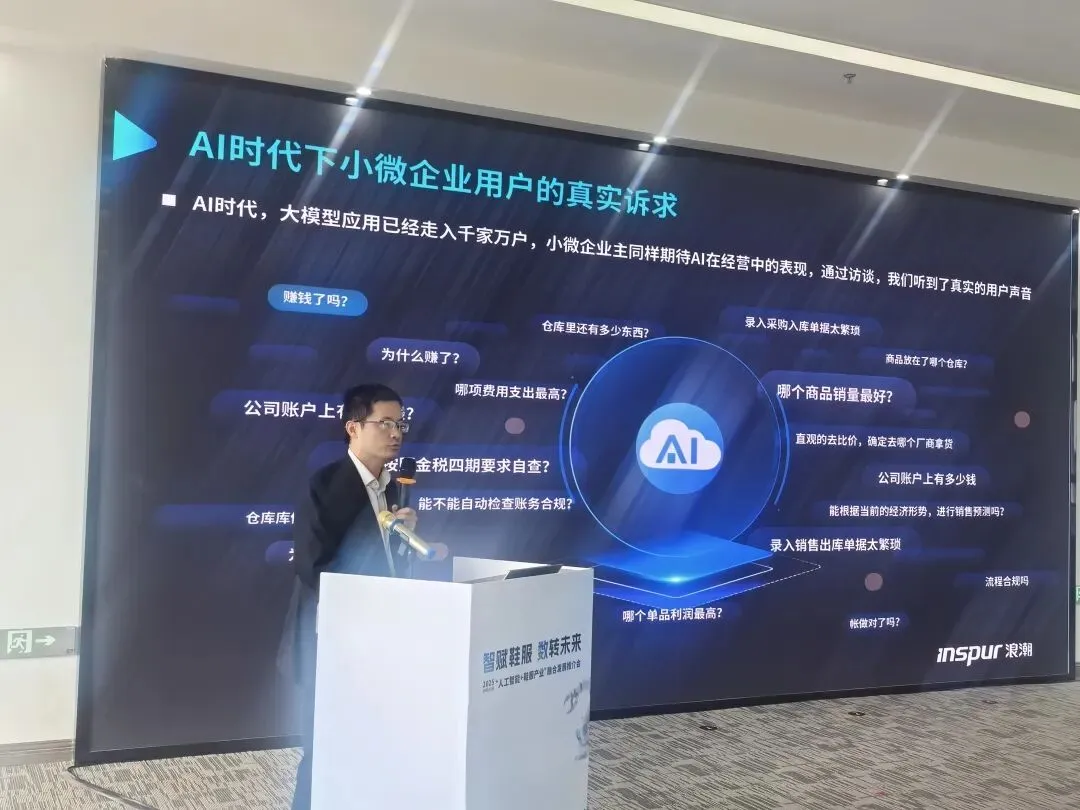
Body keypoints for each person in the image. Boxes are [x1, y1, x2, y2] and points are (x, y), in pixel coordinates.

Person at [280, 383, 448, 810]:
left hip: (381, 639)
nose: (396, 433)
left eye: (401, 424)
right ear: (352, 427)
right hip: (332, 642)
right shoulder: (325, 485)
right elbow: (314, 568)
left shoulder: (394, 488)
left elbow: (389, 568)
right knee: (325, 750)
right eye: (385, 423)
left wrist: (402, 541)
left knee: (375, 747)